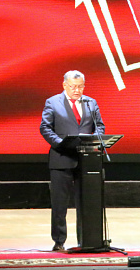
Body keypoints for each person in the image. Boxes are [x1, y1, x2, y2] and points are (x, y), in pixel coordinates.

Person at [40, 70, 105, 251]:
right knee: (60, 204)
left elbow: (99, 126)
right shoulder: (53, 102)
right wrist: (61, 144)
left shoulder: (91, 103)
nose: (77, 90)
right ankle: (59, 241)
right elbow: (45, 128)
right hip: (62, 158)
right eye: (73, 87)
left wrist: (96, 140)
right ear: (65, 85)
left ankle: (86, 241)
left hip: (86, 160)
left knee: (86, 203)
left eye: (80, 87)